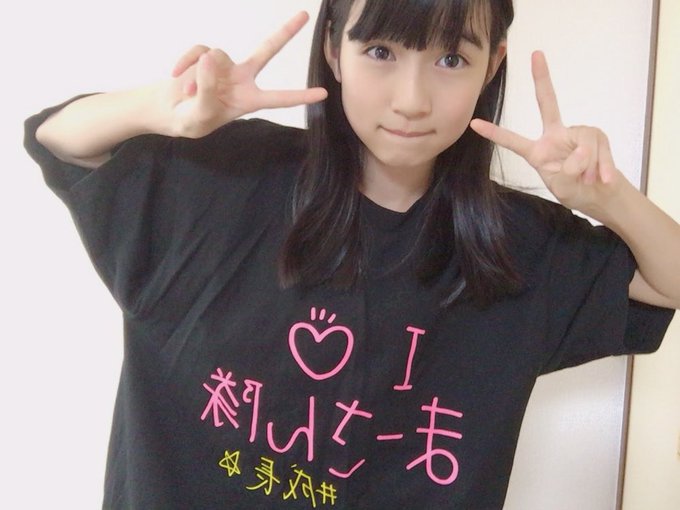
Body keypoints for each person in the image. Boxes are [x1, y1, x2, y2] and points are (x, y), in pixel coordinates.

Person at [23, 0, 678, 508]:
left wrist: (610, 199)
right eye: (381, 51)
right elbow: (59, 140)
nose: (412, 100)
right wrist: (160, 109)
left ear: (492, 64)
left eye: (452, 58)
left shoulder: (518, 247)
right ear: (334, 49)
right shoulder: (223, 179)